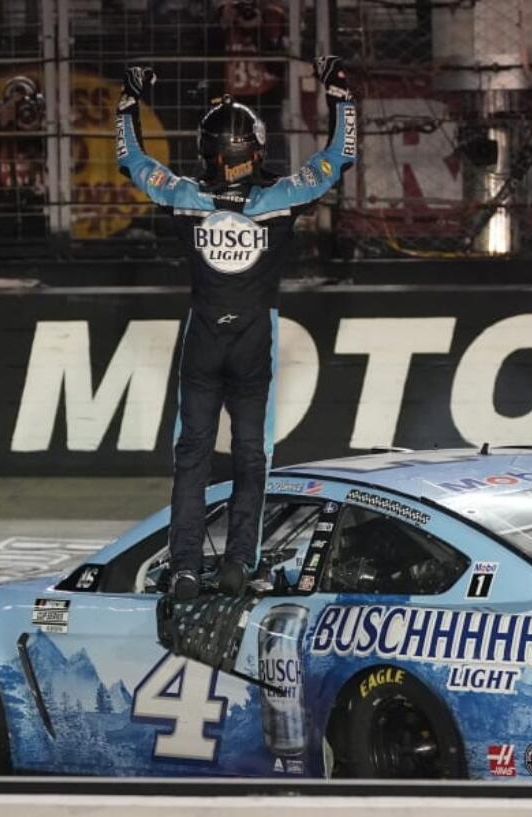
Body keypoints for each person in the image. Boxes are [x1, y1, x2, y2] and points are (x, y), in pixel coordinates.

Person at [116, 57, 357, 600]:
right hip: (253, 347)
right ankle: (238, 565)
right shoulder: (279, 200)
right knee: (252, 457)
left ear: (208, 152)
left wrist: (128, 102)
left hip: (201, 343)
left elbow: (132, 161)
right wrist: (340, 94)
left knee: (191, 458)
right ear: (255, 149)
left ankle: (181, 570)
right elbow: (339, 157)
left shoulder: (185, 199)